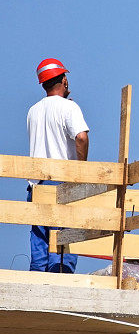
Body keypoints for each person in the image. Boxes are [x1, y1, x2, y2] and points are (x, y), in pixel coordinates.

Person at [26, 58, 89, 272]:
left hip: (36, 184)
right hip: (61, 182)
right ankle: (60, 284)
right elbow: (80, 137)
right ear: (64, 80)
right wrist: (81, 171)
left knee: (40, 241)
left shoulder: (33, 111)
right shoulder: (69, 108)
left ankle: (37, 288)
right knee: (63, 243)